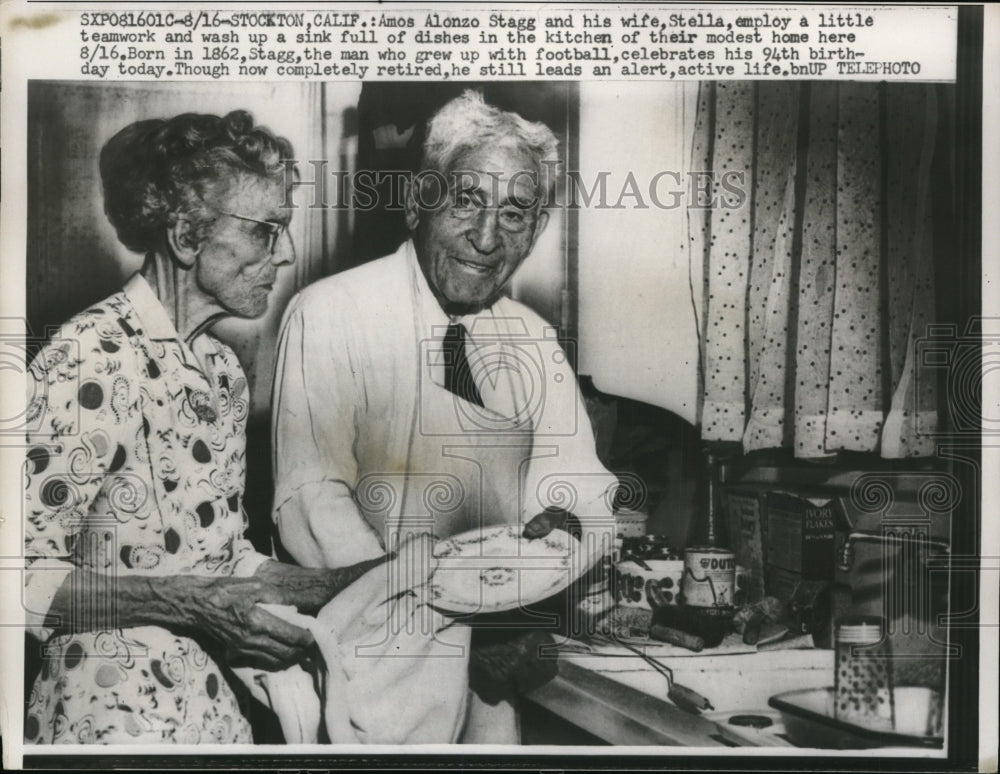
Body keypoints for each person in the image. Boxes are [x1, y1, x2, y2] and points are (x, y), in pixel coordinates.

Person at [23, 111, 387, 745]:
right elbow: (13, 574)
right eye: (266, 231)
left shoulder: (220, 372)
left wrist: (375, 576)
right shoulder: (91, 356)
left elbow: (222, 561)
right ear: (188, 234)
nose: (289, 253)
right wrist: (190, 604)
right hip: (110, 723)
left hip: (214, 717)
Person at [271, 91, 617, 743]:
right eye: (467, 201)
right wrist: (452, 621)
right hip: (365, 669)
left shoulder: (533, 342)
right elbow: (311, 508)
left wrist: (564, 525)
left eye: (514, 212)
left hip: (493, 675)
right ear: (416, 202)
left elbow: (584, 494)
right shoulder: (332, 314)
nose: (487, 238)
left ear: (538, 228)